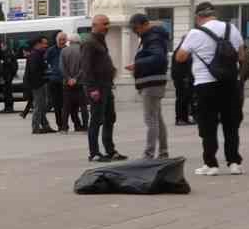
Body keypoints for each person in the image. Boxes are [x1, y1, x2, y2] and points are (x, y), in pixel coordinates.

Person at [176, 1, 245, 176]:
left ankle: (211, 164)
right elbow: (242, 54)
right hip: (230, 82)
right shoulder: (232, 29)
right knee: (231, 124)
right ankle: (234, 163)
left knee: (208, 124)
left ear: (198, 17)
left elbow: (180, 58)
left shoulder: (195, 33)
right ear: (214, 14)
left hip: (205, 83)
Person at [127, 14, 171, 159]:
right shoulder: (153, 36)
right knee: (157, 118)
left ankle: (149, 153)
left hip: (151, 82)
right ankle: (163, 152)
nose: (135, 31)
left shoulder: (153, 38)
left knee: (151, 119)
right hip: (155, 81)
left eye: (135, 28)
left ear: (143, 25)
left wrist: (137, 64)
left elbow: (158, 57)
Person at [81, 15, 125, 163]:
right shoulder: (89, 42)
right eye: (104, 24)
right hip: (97, 87)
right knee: (96, 120)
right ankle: (94, 153)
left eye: (108, 24)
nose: (107, 26)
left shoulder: (100, 40)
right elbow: (86, 67)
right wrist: (92, 88)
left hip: (106, 85)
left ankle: (110, 150)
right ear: (95, 25)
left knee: (110, 118)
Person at [25, 36, 53, 133]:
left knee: (41, 105)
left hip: (40, 83)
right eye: (44, 43)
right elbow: (34, 71)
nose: (46, 45)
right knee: (39, 106)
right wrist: (45, 73)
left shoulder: (39, 54)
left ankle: (45, 125)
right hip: (37, 84)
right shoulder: (35, 55)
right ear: (38, 44)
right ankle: (36, 127)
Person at [62, 33, 87, 131]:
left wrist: (69, 79)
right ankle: (85, 126)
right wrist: (75, 78)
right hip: (80, 83)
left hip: (67, 84)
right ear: (79, 41)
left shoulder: (64, 51)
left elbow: (62, 67)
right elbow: (84, 67)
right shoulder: (83, 51)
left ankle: (64, 127)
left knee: (66, 107)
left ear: (70, 41)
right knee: (83, 106)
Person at [47, 32, 70, 132]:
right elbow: (45, 61)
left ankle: (65, 124)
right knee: (56, 105)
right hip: (54, 80)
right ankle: (60, 124)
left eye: (63, 40)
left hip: (65, 80)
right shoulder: (51, 50)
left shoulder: (68, 50)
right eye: (60, 40)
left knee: (66, 104)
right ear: (57, 40)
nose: (61, 42)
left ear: (66, 40)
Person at [171, 34, 195, 126]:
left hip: (184, 78)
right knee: (182, 98)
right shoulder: (182, 50)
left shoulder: (183, 50)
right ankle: (180, 119)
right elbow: (179, 67)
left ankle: (184, 118)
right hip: (182, 78)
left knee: (186, 99)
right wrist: (185, 77)